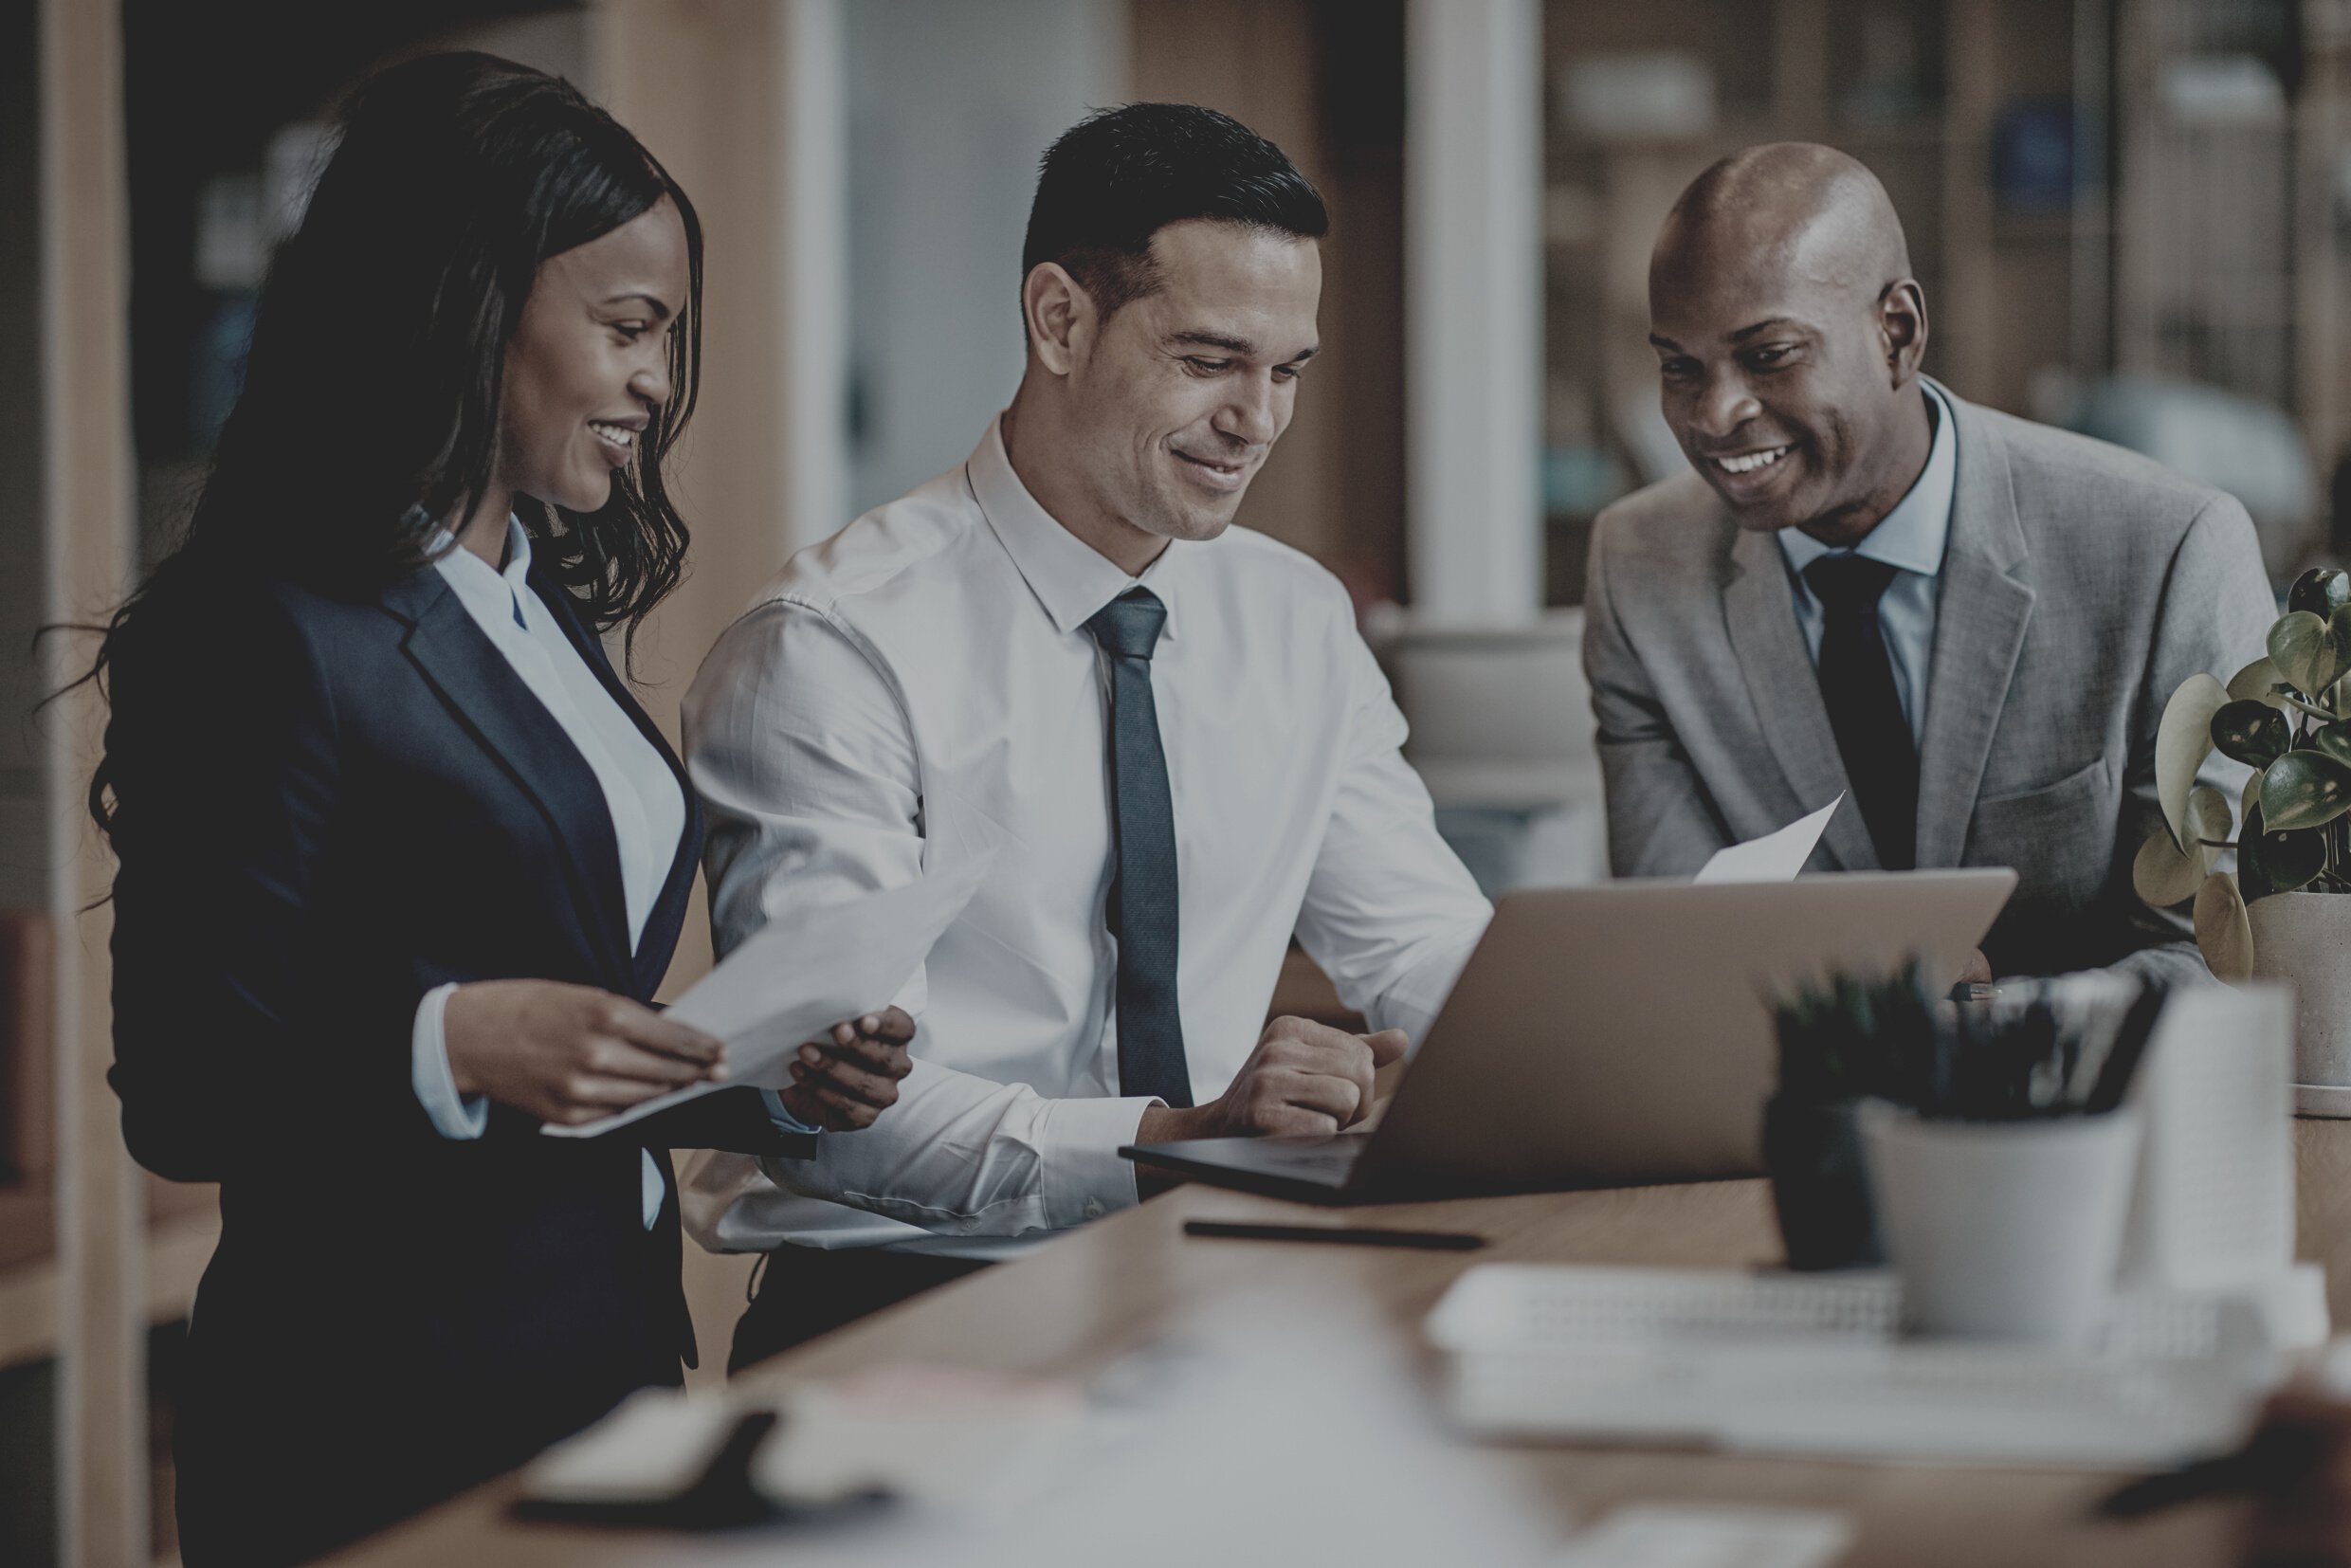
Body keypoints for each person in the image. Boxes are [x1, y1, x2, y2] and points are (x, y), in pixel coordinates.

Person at [89, 54, 910, 1565]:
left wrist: (766, 1082)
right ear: (466, 302)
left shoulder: (537, 617)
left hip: (600, 1383)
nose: (658, 384)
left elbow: (561, 1055)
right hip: (369, 1421)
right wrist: (453, 1032)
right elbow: (187, 1082)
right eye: (627, 328)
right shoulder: (266, 627)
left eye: (667, 335)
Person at [681, 102, 1493, 1369]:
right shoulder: (833, 645)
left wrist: (1577, 1060)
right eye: (1212, 358)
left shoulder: (1297, 619)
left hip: (1225, 1295)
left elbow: (1422, 941)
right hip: (904, 1319)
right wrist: (1183, 1133)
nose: (1258, 419)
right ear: (1059, 319)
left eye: (1287, 371)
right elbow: (843, 1114)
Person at [1583, 142, 2273, 983]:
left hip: (2088, 1104)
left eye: (1770, 355)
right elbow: (1678, 941)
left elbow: (2217, 954)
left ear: (1897, 333)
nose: (1713, 413)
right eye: (1680, 367)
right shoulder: (1637, 567)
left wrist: (1992, 1027)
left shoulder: (2169, 550)